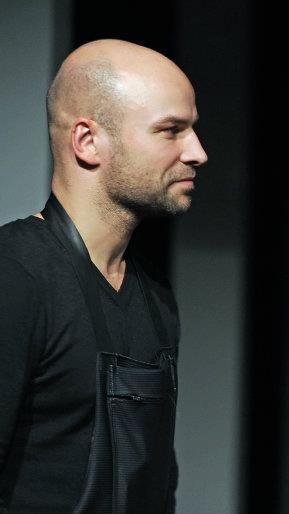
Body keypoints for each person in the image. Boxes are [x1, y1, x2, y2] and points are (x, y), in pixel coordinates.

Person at [0, 39, 207, 513]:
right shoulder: (15, 276)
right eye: (171, 130)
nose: (197, 152)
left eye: (192, 129)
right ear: (88, 141)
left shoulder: (154, 295)